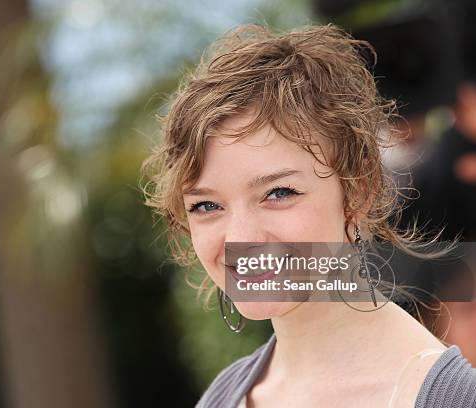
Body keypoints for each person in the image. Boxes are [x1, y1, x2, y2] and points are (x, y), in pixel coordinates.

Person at [141, 24, 476, 407]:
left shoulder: (452, 399)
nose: (240, 237)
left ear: (358, 188)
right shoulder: (224, 398)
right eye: (207, 206)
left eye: (278, 193)